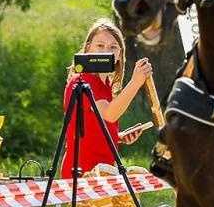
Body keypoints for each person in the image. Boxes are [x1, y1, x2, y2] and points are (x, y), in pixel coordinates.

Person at [60, 18, 154, 177]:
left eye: (113, 47)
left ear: (119, 54)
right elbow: (109, 114)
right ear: (88, 49)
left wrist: (117, 137)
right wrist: (136, 81)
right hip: (83, 170)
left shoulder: (105, 85)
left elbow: (93, 127)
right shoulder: (84, 80)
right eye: (100, 45)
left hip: (103, 169)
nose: (106, 51)